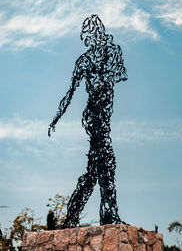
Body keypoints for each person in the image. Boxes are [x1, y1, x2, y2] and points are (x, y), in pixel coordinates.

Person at [48, 14, 128, 228]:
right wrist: (56, 118)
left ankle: (74, 217)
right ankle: (109, 216)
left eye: (89, 36)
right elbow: (70, 92)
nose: (87, 40)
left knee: (94, 171)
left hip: (103, 113)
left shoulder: (112, 51)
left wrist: (99, 75)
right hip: (94, 117)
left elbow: (119, 74)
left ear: (96, 34)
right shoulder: (84, 60)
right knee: (106, 163)